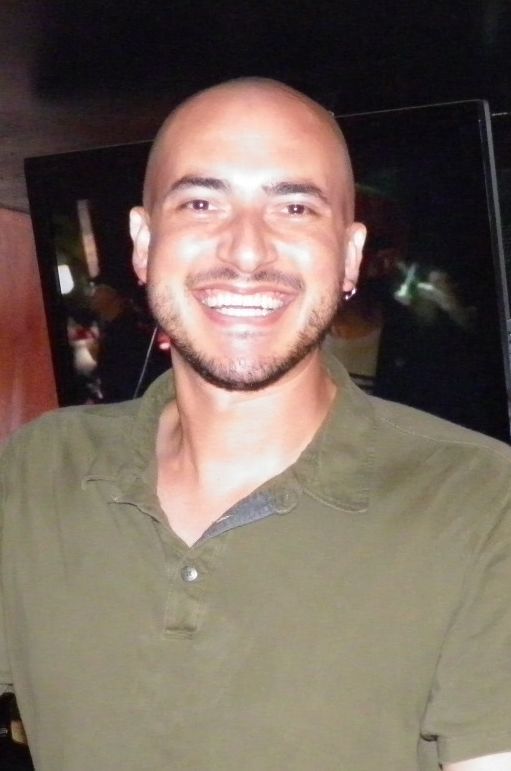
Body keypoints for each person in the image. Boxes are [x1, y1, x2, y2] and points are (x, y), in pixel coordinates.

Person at [1, 78, 511, 771]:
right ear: (143, 243)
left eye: (294, 207)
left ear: (350, 255)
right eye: (201, 203)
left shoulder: (479, 502)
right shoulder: (39, 470)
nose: (246, 252)